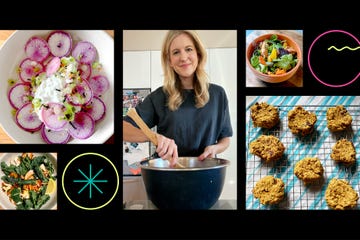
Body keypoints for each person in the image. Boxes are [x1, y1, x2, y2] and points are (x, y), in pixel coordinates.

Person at [123, 30, 233, 166]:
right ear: (169, 60)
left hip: (205, 172)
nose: (183, 57)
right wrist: (154, 137)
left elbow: (225, 139)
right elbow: (123, 128)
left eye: (188, 49)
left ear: (198, 54)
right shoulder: (159, 96)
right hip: (167, 173)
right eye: (176, 52)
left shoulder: (218, 94)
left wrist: (215, 148)